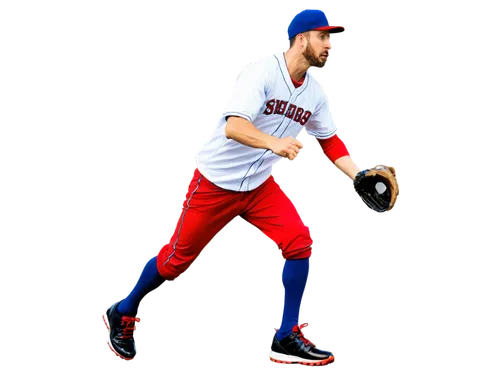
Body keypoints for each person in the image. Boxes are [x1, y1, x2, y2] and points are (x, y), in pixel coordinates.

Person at [101, 6, 357, 368]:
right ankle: (122, 313)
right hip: (215, 182)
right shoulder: (262, 72)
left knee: (299, 240)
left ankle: (286, 336)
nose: (331, 44)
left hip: (258, 186)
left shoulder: (315, 93)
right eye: (324, 36)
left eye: (332, 38)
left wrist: (358, 176)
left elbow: (331, 141)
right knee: (175, 262)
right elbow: (235, 126)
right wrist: (275, 143)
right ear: (302, 38)